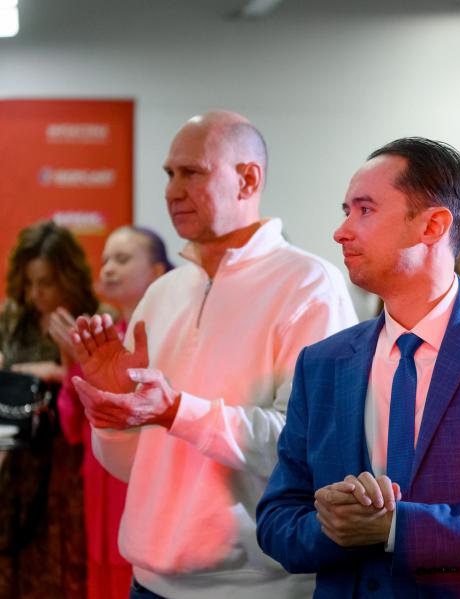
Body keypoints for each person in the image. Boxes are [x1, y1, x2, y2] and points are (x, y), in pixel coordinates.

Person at [256, 137, 460, 597]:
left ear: (432, 225)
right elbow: (277, 522)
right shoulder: (323, 362)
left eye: (364, 210)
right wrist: (332, 525)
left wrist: (396, 529)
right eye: (346, 211)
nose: (341, 231)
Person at [68, 111, 358, 599]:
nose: (172, 191)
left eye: (192, 172)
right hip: (150, 579)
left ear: (248, 180)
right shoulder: (164, 292)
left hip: (257, 587)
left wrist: (176, 411)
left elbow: (309, 448)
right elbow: (135, 468)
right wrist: (116, 416)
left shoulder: (309, 285)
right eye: (169, 173)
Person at [56, 226, 173, 599]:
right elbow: (73, 426)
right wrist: (72, 365)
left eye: (122, 259)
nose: (107, 268)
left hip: (145, 488)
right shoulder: (103, 338)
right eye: (106, 259)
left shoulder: (170, 339)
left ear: (157, 272)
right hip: (99, 485)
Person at [0, 220, 98, 598]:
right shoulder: (12, 318)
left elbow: (105, 390)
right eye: (29, 283)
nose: (35, 293)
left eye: (45, 282)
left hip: (66, 463)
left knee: (62, 568)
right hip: (16, 460)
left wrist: (58, 370)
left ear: (68, 277)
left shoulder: (93, 316)